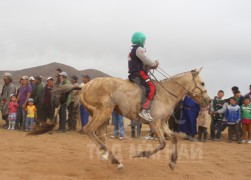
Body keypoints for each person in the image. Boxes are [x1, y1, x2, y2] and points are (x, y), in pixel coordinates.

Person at [128, 32, 159, 122]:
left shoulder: (132, 48)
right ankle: (145, 110)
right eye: (144, 40)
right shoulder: (139, 49)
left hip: (133, 73)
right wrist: (154, 64)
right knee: (152, 87)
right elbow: (146, 60)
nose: (144, 42)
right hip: (138, 73)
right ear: (140, 39)